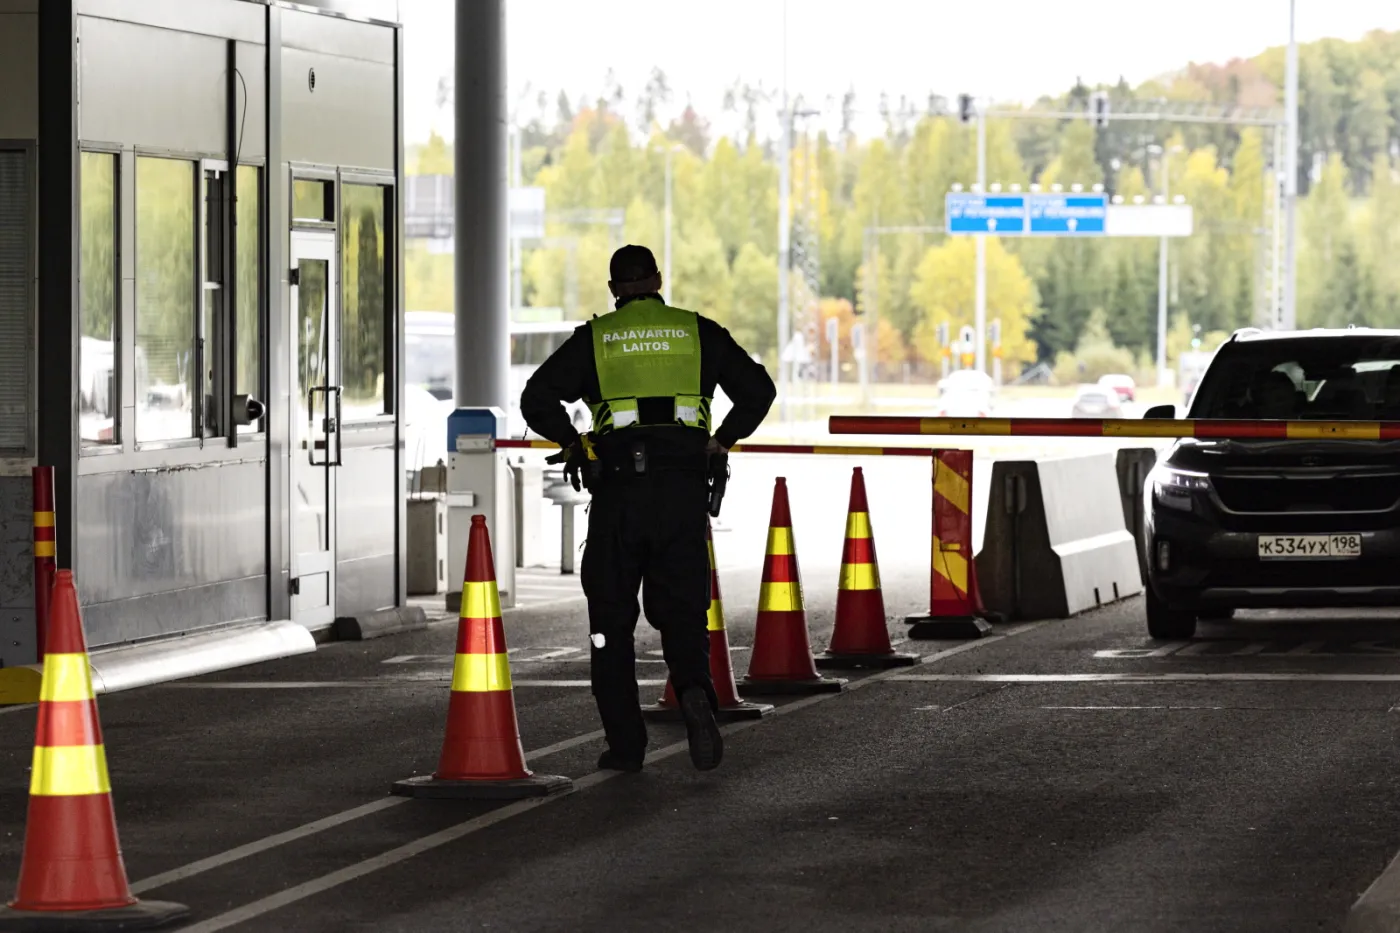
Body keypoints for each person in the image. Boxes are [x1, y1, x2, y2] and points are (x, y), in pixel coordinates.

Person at [520, 245, 776, 773]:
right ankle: (696, 695)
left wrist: (574, 442)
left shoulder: (596, 339)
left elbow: (536, 398)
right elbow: (758, 391)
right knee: (684, 613)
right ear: (659, 279)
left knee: (609, 622)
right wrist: (721, 440)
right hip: (682, 497)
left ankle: (626, 745)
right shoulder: (697, 331)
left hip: (618, 498)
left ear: (614, 288)